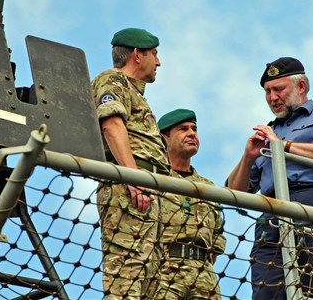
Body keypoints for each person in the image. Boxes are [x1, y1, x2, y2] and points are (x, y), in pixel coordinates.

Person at [227, 57, 313, 299]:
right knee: (266, 294)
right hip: (270, 213)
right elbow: (235, 194)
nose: (272, 97)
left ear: (301, 87)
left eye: (279, 89)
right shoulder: (268, 131)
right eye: (267, 91)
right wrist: (247, 158)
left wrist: (283, 146)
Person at [91, 28, 171, 299]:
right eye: (154, 54)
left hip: (148, 190)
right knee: (127, 272)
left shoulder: (137, 94)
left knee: (150, 277)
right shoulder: (113, 81)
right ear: (137, 54)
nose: (158, 62)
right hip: (131, 188)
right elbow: (112, 125)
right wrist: (133, 178)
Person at [150, 108, 227, 300]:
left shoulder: (207, 188)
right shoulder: (152, 179)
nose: (192, 133)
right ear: (163, 138)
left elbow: (216, 239)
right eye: (183, 129)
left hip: (204, 277)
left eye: (194, 129)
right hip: (163, 271)